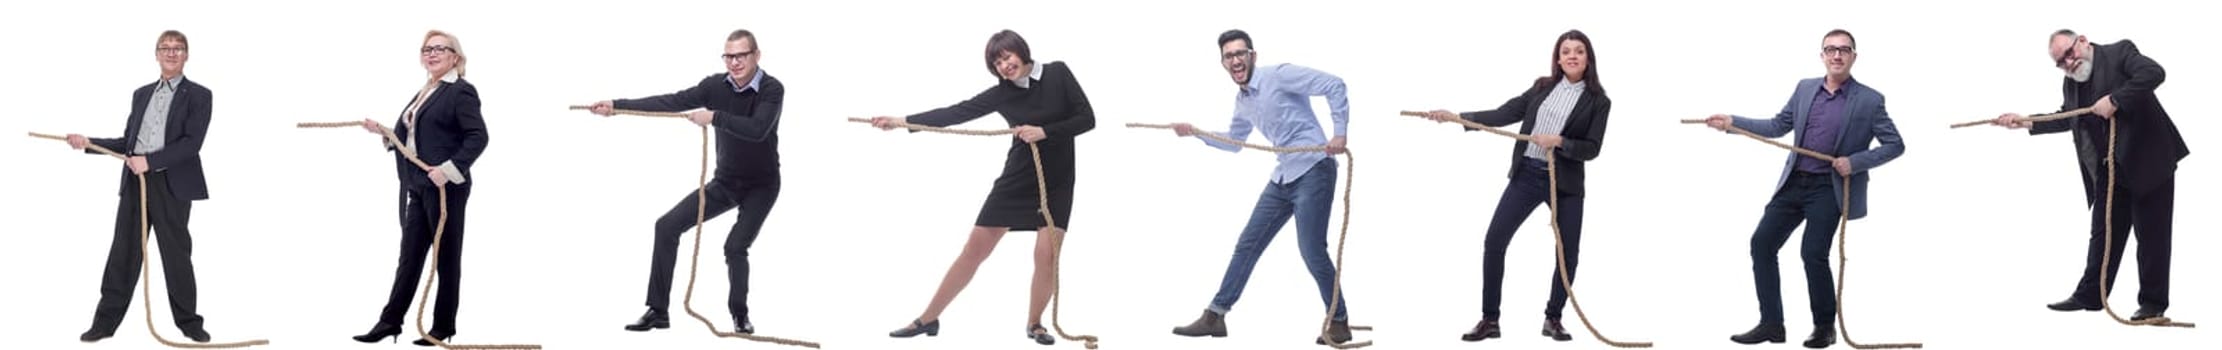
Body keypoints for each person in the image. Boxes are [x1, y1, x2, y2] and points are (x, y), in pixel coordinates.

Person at [872, 29, 1096, 346]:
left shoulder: (1058, 72)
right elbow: (955, 112)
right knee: (974, 251)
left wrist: (1044, 131)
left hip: (1057, 182)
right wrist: (901, 121)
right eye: (997, 63)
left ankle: (1035, 324)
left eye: (1007, 57)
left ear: (1021, 50)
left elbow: (1087, 119)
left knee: (1046, 257)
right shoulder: (1002, 93)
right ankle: (927, 318)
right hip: (1017, 179)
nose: (1004, 65)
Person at [1701, 29, 1904, 349]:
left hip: (1829, 188)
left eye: (1844, 50)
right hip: (1794, 182)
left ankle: (1824, 327)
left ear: (1854, 56)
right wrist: (1732, 123)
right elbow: (1777, 126)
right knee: (1762, 243)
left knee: (1812, 253)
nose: (1837, 55)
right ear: (1822, 55)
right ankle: (1771, 324)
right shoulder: (1805, 88)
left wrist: (1855, 161)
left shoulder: (1869, 99)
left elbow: (1895, 145)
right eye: (1830, 49)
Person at [588, 29, 786, 335]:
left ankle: (740, 315)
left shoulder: (773, 89)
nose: (734, 63)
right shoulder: (714, 86)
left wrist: (714, 117)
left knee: (735, 247)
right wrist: (617, 105)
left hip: (763, 185)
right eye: (728, 56)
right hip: (727, 182)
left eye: (741, 56)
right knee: (666, 226)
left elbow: (758, 129)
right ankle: (658, 311)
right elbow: (672, 101)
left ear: (756, 56)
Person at [1420, 29, 1613, 343]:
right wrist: (1458, 117)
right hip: (1527, 175)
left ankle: (1553, 318)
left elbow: (1592, 148)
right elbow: (1505, 113)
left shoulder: (1599, 101)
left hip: (1565, 185)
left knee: (1568, 254)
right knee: (1494, 241)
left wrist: (1560, 142)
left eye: (1579, 51)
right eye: (1566, 51)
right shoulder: (1542, 87)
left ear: (1588, 58)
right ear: (1558, 58)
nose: (1572, 56)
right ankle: (1490, 319)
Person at [1165, 29, 1356, 345]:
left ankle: (1339, 321)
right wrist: (1196, 132)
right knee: (1247, 243)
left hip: (1313, 169)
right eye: (1229, 56)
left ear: (1253, 56)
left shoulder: (1279, 76)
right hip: (1283, 177)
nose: (1236, 60)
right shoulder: (1242, 102)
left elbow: (1334, 84)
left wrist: (1339, 133)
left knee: (1311, 249)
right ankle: (1215, 315)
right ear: (1223, 63)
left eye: (1241, 54)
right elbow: (1235, 143)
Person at [1989, 29, 2187, 321]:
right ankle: (2091, 295)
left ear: (2082, 40)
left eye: (2069, 53)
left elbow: (2154, 73)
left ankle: (2153, 304)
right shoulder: (2071, 85)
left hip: (2149, 161)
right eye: (2060, 62)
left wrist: (2116, 100)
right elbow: (2069, 116)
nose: (2068, 63)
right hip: (2110, 169)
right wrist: (2026, 122)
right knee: (2102, 234)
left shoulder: (2120, 52)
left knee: (2151, 236)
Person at [66, 30, 218, 344]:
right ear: (157, 54)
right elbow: (128, 143)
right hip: (135, 182)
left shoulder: (201, 95)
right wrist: (89, 143)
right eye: (166, 48)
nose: (172, 53)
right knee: (123, 252)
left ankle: (189, 323)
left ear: (187, 55)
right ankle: (105, 323)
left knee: (176, 255)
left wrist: (150, 161)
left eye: (178, 49)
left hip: (172, 184)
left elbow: (192, 143)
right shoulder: (141, 94)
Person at [349, 29, 490, 347]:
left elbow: (478, 137)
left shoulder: (461, 91)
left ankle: (442, 327)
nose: (433, 53)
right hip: (417, 185)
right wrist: (386, 133)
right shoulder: (425, 91)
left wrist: (449, 170)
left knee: (446, 258)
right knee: (409, 257)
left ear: (456, 57)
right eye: (427, 48)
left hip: (446, 189)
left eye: (441, 48)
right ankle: (389, 322)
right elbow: (413, 137)